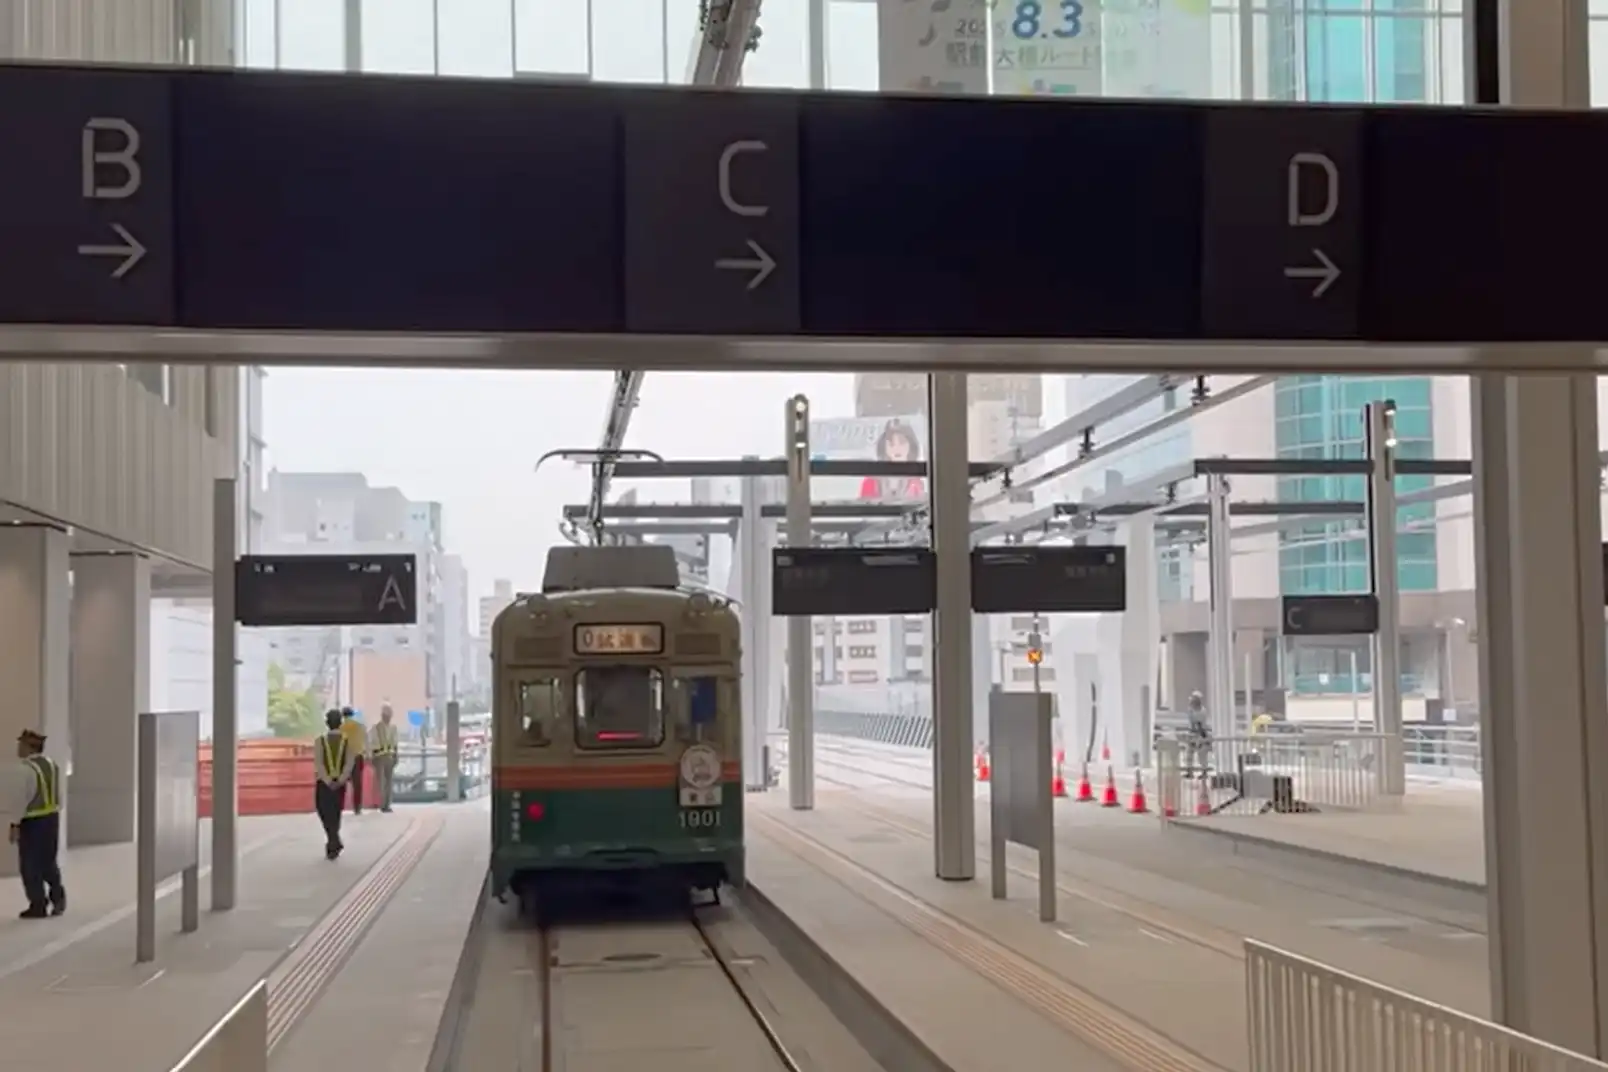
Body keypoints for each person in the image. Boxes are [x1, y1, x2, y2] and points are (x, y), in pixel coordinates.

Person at [9, 730, 65, 919]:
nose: (18, 748)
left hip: (32, 823)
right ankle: (58, 897)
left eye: (21, 744)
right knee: (48, 861)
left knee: (30, 865)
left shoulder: (25, 769)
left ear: (29, 746)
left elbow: (20, 799)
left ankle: (38, 905)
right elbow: (59, 794)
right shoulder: (51, 765)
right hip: (51, 819)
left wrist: (14, 824)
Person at [315, 710, 356, 859]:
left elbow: (319, 764)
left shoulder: (320, 741)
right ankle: (334, 839)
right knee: (336, 812)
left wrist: (327, 781)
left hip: (323, 784)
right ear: (341, 723)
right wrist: (340, 780)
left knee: (324, 812)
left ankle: (333, 839)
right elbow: (349, 763)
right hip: (340, 785)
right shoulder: (347, 742)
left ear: (327, 723)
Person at [858, 418, 926, 501]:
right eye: (891, 444)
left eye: (902, 443)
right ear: (884, 447)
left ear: (910, 446)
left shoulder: (917, 482)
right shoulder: (871, 480)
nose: (896, 449)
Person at [369, 704, 398, 813]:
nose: (387, 717)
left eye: (389, 715)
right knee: (381, 782)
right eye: (386, 715)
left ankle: (387, 804)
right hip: (380, 756)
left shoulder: (393, 728)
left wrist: (396, 756)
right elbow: (372, 743)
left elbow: (395, 744)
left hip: (389, 756)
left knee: (389, 782)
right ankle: (382, 804)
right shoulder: (376, 727)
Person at [340, 706, 368, 815]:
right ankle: (357, 807)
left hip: (344, 757)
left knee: (342, 783)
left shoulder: (340, 727)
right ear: (352, 715)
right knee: (357, 784)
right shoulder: (360, 727)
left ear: (343, 715)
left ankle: (340, 805)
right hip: (357, 756)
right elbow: (365, 741)